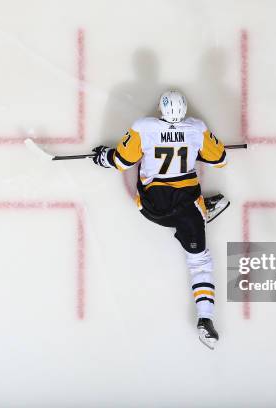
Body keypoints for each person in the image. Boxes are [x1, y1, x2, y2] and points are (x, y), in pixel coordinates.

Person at [91, 90, 229, 349]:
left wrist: (103, 157)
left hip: (152, 208)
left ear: (161, 109)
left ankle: (202, 211)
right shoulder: (196, 128)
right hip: (186, 210)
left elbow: (121, 161)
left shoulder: (144, 127)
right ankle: (205, 319)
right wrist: (196, 149)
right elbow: (220, 159)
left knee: (144, 170)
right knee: (200, 262)